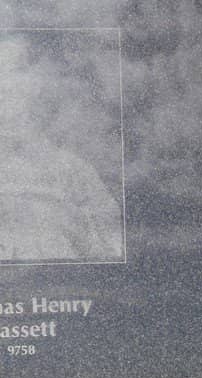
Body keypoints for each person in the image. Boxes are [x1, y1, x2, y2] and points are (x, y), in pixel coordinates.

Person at [0, 36, 123, 263]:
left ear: (34, 85)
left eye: (12, 72)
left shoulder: (74, 171)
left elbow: (112, 250)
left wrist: (63, 220)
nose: (3, 87)